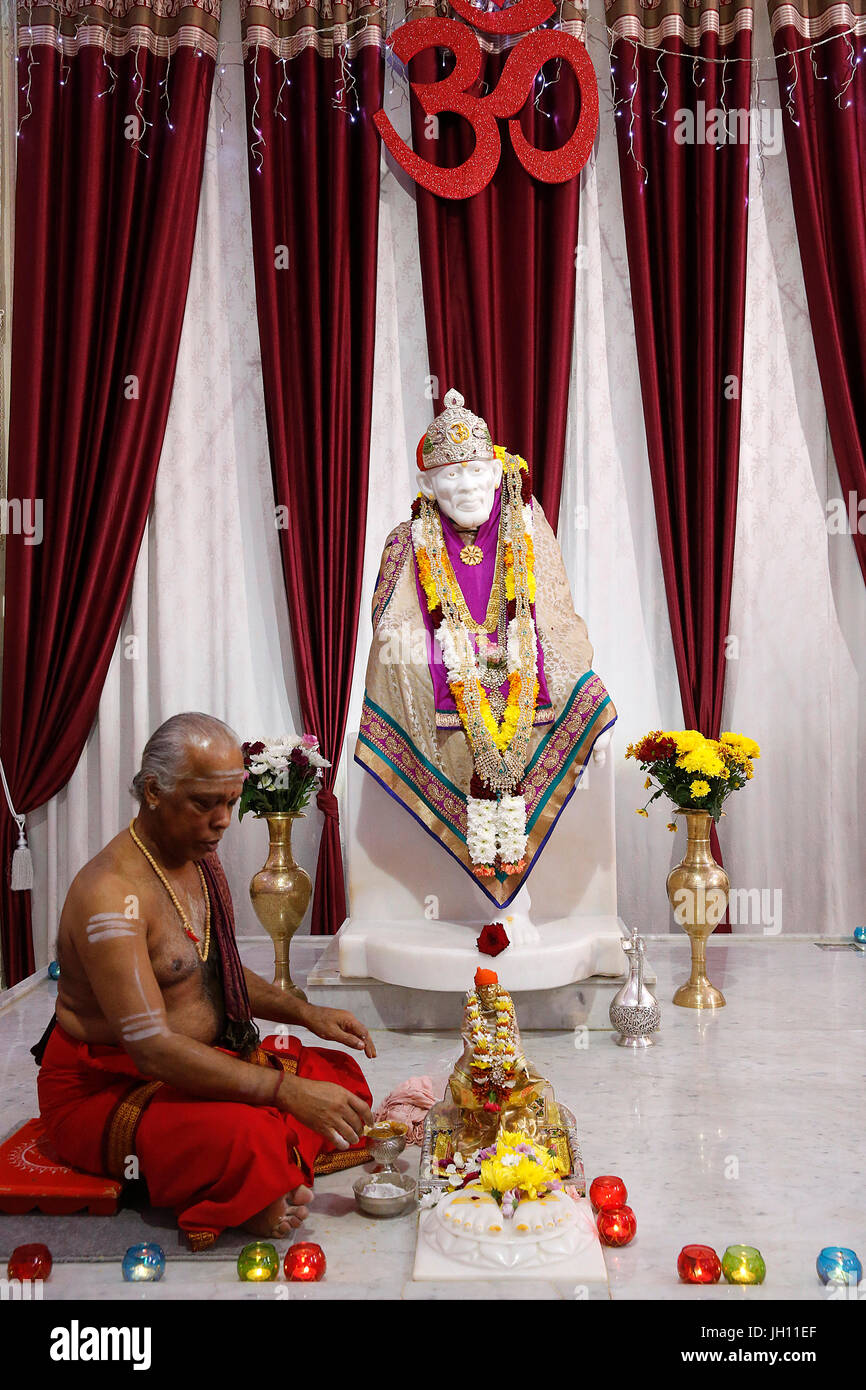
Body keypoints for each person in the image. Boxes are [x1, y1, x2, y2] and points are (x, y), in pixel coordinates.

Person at [36, 712, 375, 1250]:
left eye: (230, 802)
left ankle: (267, 1168)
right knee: (250, 1138)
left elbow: (212, 970)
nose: (222, 821)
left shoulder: (194, 860)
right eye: (204, 804)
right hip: (110, 1088)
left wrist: (306, 1013)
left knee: (340, 1076)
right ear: (153, 791)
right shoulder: (111, 896)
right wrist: (286, 1093)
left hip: (198, 1062)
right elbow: (150, 1050)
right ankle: (262, 1170)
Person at [355, 388, 616, 909]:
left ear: (498, 473)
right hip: (444, 698)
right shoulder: (405, 540)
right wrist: (454, 672)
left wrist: (577, 688)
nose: (467, 486)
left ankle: (530, 911)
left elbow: (558, 618)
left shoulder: (527, 529)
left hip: (528, 696)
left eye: (476, 470)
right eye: (451, 475)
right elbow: (390, 631)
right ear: (427, 485)